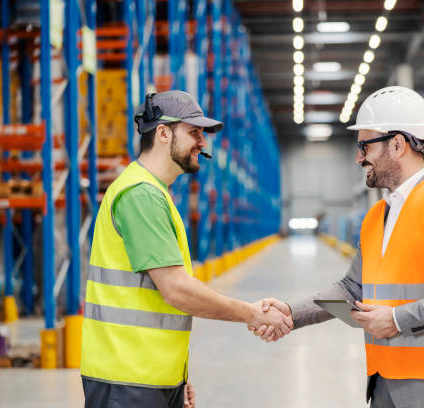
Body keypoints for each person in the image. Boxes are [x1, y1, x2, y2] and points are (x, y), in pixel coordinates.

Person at [250, 86, 424, 408]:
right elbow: (353, 288)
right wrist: (291, 313)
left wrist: (397, 319)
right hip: (385, 385)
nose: (358, 157)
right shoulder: (377, 215)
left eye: (364, 145)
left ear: (397, 144)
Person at [80, 90, 292, 408]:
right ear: (163, 133)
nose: (202, 143)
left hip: (146, 379)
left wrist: (175, 380)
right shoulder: (141, 195)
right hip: (127, 382)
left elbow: (152, 303)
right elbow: (177, 290)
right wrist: (251, 313)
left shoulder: (156, 193)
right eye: (194, 132)